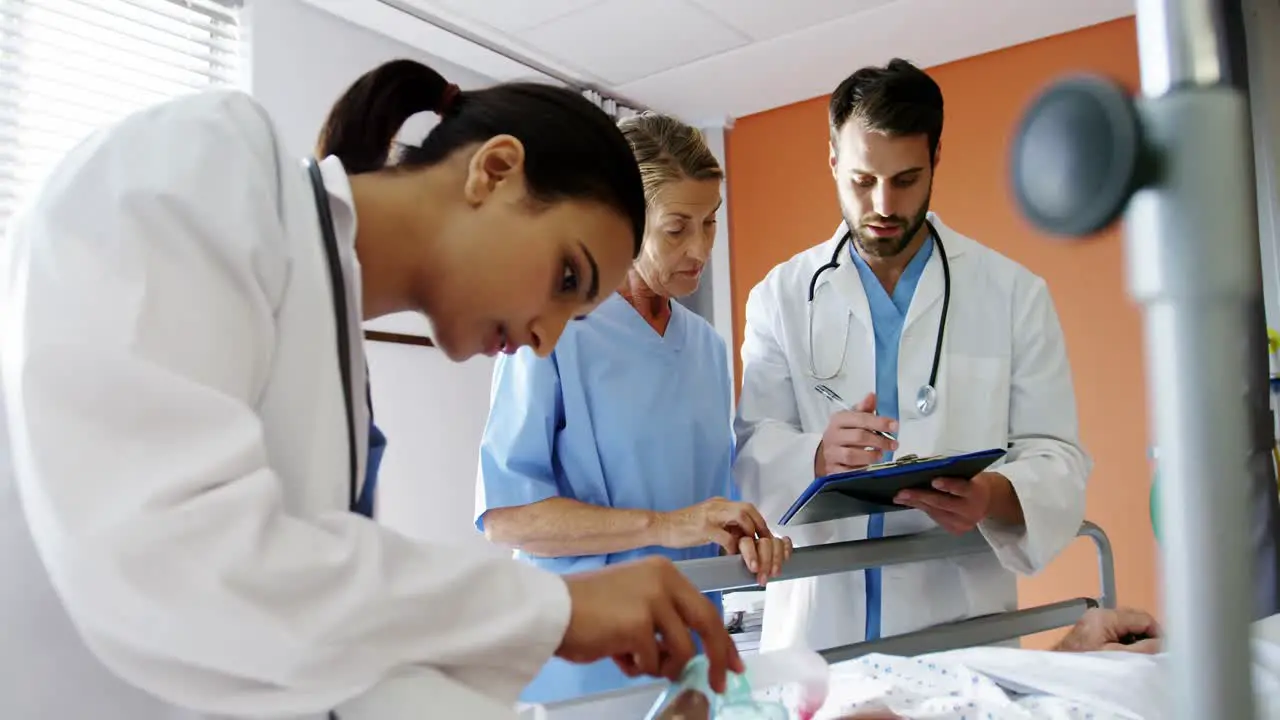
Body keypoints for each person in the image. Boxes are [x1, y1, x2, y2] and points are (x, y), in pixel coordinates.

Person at [0, 59, 743, 720]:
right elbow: (177, 570)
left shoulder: (335, 359)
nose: (548, 338)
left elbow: (323, 645)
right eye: (566, 277)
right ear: (494, 170)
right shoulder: (210, 162)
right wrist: (552, 609)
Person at [733, 58, 1092, 654]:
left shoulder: (1011, 294)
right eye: (861, 179)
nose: (883, 203)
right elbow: (751, 454)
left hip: (958, 617)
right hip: (822, 628)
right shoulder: (780, 296)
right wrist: (817, 454)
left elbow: (1057, 456)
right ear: (832, 161)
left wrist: (992, 496)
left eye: (905, 179)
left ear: (936, 161)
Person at [475, 111, 793, 704]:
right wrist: (664, 527)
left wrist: (749, 535)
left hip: (690, 650)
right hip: (584, 659)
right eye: (676, 228)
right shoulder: (551, 330)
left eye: (710, 223)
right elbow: (506, 518)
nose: (699, 249)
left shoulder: (706, 348)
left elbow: (706, 505)